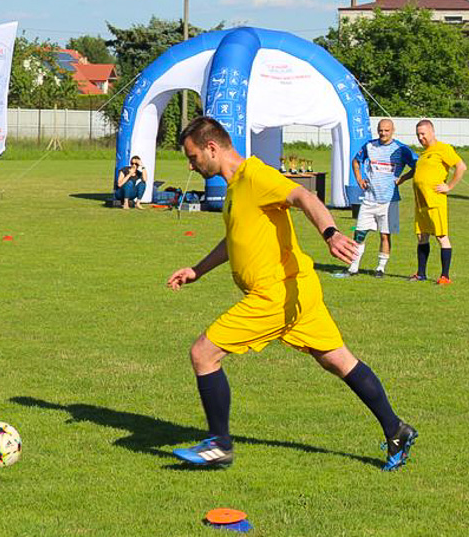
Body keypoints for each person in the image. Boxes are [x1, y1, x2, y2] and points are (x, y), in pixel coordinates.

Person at [166, 116, 416, 471]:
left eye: (192, 157)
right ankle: (396, 429)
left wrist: (330, 233)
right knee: (338, 360)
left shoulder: (255, 176)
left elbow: (302, 195)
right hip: (299, 289)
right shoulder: (236, 187)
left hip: (274, 294)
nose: (191, 165)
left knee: (203, 354)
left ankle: (219, 444)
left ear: (211, 148)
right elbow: (235, 240)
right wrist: (197, 270)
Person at [341, 119, 416, 277]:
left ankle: (380, 268)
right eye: (381, 130)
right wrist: (360, 179)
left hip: (389, 201)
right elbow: (356, 161)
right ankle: (353, 267)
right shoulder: (369, 146)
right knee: (359, 233)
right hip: (369, 198)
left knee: (384, 235)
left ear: (393, 130)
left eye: (386, 130)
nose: (383, 133)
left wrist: (403, 178)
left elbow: (417, 166)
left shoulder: (401, 149)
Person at [410, 119, 466, 284]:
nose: (421, 138)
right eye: (418, 134)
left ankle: (445, 276)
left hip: (435, 200)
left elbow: (461, 166)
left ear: (432, 132)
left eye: (423, 134)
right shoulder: (424, 152)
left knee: (441, 236)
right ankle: (421, 273)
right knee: (422, 236)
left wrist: (449, 186)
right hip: (420, 202)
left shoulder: (443, 148)